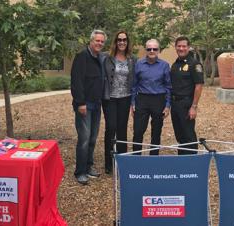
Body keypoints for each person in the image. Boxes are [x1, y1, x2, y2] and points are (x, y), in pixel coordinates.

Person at [71, 29, 107, 185]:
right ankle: (80, 172)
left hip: (97, 104)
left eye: (101, 41)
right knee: (84, 139)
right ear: (91, 41)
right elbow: (76, 81)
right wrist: (80, 103)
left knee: (92, 138)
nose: (99, 43)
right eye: (96, 41)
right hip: (85, 105)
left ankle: (89, 167)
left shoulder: (100, 58)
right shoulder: (82, 56)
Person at [102, 31, 135, 174]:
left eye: (124, 40)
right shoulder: (107, 58)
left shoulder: (132, 59)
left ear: (127, 42)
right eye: (119, 40)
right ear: (115, 42)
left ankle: (122, 161)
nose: (122, 42)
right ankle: (109, 162)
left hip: (125, 98)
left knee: (122, 129)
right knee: (111, 127)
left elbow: (135, 80)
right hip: (110, 98)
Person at [131, 39, 171, 155]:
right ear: (146, 50)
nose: (152, 51)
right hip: (142, 100)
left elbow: (168, 86)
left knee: (156, 131)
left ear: (159, 50)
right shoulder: (139, 64)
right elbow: (134, 85)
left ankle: (153, 159)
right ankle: (135, 158)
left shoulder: (164, 65)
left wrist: (168, 105)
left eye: (155, 49)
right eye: (149, 49)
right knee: (138, 131)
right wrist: (132, 102)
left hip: (159, 100)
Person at [170, 36, 204, 155]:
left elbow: (198, 86)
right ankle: (182, 162)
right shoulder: (175, 64)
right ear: (175, 47)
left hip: (186, 104)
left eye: (184, 46)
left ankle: (192, 165)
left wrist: (194, 106)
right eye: (179, 46)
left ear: (188, 47)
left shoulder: (194, 64)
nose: (181, 48)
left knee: (189, 135)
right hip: (175, 105)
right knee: (180, 135)